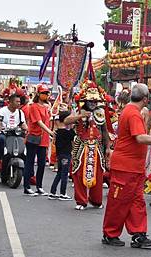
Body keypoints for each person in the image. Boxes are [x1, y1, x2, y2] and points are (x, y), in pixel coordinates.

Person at [102, 84, 151, 249]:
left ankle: (139, 234)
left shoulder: (131, 111)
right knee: (119, 202)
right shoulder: (133, 113)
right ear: (145, 99)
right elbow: (140, 138)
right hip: (126, 166)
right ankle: (110, 233)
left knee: (137, 201)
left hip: (132, 167)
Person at [64, 80, 110, 210]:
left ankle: (96, 200)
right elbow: (66, 121)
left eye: (95, 101)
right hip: (81, 147)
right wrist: (80, 116)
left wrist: (107, 148)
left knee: (99, 173)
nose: (93, 104)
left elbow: (105, 131)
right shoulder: (78, 110)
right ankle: (81, 201)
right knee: (78, 173)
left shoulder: (100, 112)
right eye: (90, 101)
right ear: (85, 101)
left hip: (97, 147)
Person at [23, 84, 54, 196]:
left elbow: (48, 120)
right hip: (34, 137)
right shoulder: (34, 106)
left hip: (43, 140)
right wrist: (50, 131)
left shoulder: (46, 107)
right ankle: (26, 187)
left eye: (47, 93)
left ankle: (39, 186)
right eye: (43, 93)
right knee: (30, 163)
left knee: (41, 164)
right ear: (38, 94)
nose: (46, 95)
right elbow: (39, 122)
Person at [0, 93, 27, 172]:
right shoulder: (3, 110)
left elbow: (23, 123)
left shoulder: (20, 112)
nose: (19, 103)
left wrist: (25, 127)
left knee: (24, 145)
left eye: (19, 102)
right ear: (11, 102)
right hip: (5, 133)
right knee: (0, 139)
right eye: (17, 102)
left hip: (16, 133)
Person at [49, 111, 75, 200]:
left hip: (60, 154)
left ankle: (53, 192)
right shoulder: (68, 132)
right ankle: (63, 193)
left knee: (59, 173)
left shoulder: (57, 132)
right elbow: (74, 138)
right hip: (66, 154)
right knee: (64, 173)